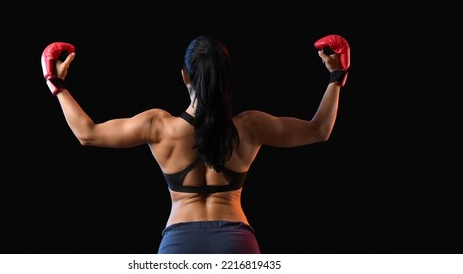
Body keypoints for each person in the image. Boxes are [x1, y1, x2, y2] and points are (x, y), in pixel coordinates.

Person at [40, 34, 349, 254]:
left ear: (185, 75)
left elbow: (88, 133)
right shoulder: (251, 127)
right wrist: (336, 75)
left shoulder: (158, 126)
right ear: (226, 76)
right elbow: (319, 130)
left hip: (179, 246)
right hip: (237, 245)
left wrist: (57, 85)